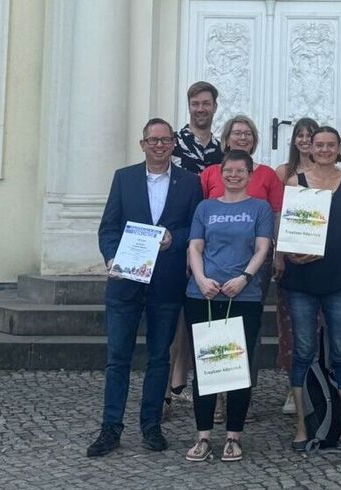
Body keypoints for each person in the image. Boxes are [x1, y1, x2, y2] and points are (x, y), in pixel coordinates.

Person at [88, 118, 203, 457]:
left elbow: (195, 231)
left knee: (158, 359)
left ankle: (151, 426)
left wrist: (175, 238)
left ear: (173, 144)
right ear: (143, 144)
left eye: (165, 140)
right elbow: (109, 228)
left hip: (166, 283)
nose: (159, 145)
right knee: (117, 358)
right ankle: (110, 428)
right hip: (125, 281)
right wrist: (111, 258)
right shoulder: (124, 178)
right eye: (152, 140)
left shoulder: (189, 182)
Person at [279, 126, 341, 450]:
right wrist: (288, 252)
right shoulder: (295, 183)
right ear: (310, 148)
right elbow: (286, 231)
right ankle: (303, 426)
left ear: (339, 147)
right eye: (320, 144)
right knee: (302, 351)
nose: (325, 149)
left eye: (331, 144)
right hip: (302, 281)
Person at [183, 149, 273, 462]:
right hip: (203, 295)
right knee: (206, 365)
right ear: (221, 174)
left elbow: (263, 247)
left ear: (250, 175)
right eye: (228, 171)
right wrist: (201, 278)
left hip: (243, 296)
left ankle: (233, 436)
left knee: (238, 367)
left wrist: (245, 277)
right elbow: (195, 246)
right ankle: (203, 435)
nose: (233, 176)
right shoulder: (205, 208)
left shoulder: (259, 208)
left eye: (240, 171)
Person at [199, 115, 285, 422]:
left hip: (252, 266)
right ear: (226, 139)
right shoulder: (210, 173)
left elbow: (276, 215)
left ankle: (240, 398)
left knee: (247, 332)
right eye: (237, 133)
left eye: (248, 133)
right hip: (213, 266)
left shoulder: (267, 175)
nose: (243, 138)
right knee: (215, 330)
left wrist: (276, 253)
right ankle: (218, 397)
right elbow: (201, 219)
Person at [164, 81, 224, 417]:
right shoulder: (173, 143)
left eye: (206, 103)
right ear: (189, 106)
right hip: (178, 236)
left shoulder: (222, 148)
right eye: (195, 104)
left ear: (215, 107)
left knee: (204, 315)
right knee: (175, 314)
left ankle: (204, 388)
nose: (200, 109)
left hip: (213, 241)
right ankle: (171, 387)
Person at [273, 117, 320, 415]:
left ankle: (318, 386)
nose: (304, 140)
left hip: (321, 256)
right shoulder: (283, 173)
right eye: (299, 135)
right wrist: (279, 253)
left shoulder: (327, 172)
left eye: (309, 135)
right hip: (291, 257)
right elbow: (278, 214)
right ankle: (294, 388)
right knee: (290, 326)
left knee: (319, 325)